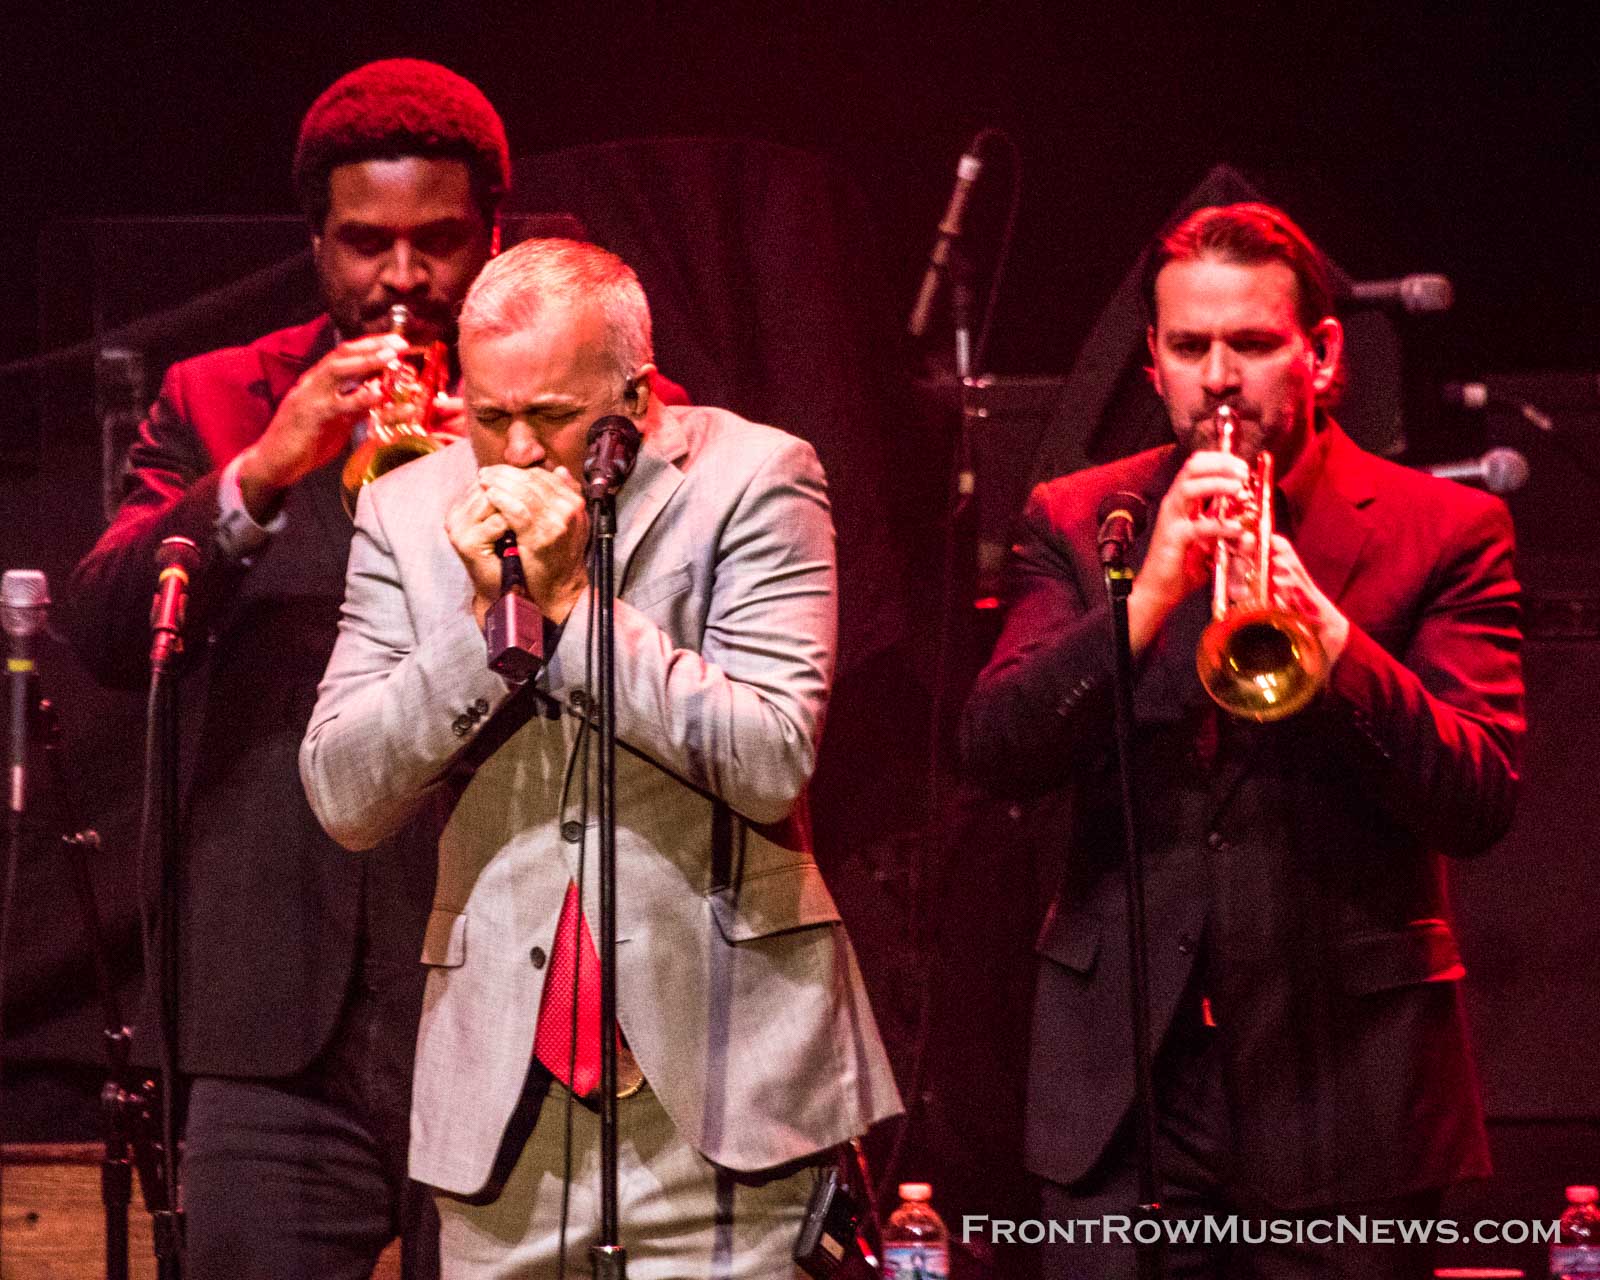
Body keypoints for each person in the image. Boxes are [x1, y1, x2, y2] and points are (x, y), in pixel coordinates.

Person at [298, 236, 901, 1277]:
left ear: (635, 389)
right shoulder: (403, 507)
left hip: (726, 1098)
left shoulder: (757, 476)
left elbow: (770, 754)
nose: (518, 452)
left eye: (554, 417)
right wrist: (480, 634)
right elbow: (342, 790)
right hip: (506, 1114)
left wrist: (574, 605)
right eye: (490, 417)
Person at [960, 203, 1524, 1279]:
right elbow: (995, 749)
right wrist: (1143, 603)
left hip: (1347, 1091)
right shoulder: (1079, 520)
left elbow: (1481, 793)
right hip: (1122, 1094)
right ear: (1155, 363)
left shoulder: (1442, 529)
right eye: (1189, 347)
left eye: (1252, 343)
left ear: (1319, 354)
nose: (1218, 376)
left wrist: (1338, 644)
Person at [57, 59, 513, 1279]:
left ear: (492, 238)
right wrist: (261, 472)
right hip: (268, 1010)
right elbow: (103, 629)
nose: (403, 280)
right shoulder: (220, 397)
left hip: (501, 993)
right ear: (316, 245)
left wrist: (519, 471)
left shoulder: (553, 397)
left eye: (439, 242)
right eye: (366, 243)